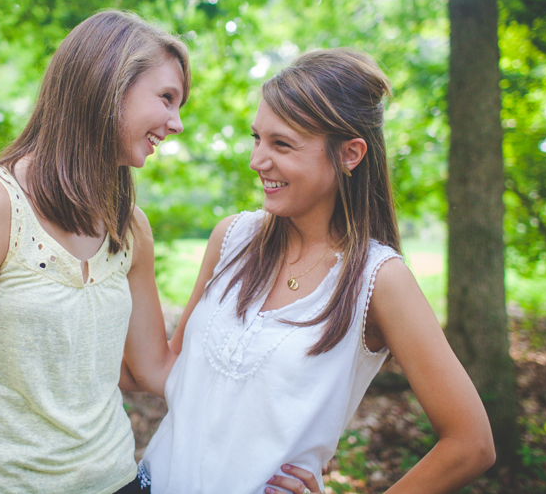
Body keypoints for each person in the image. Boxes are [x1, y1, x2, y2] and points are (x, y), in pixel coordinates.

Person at [137, 49, 495, 494]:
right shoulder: (231, 238)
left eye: (281, 144)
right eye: (257, 138)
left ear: (350, 154)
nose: (257, 161)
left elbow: (471, 444)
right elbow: (169, 370)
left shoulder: (377, 280)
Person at [0, 10, 187, 494]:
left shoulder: (130, 228)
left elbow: (154, 369)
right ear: (108, 83)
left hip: (118, 481)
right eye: (166, 98)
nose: (176, 123)